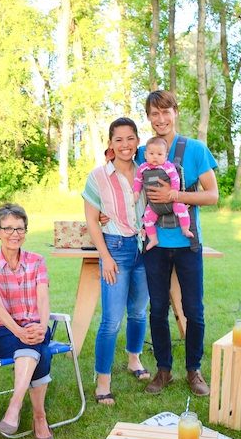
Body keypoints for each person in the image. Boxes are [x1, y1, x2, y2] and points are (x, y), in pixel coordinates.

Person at [139, 90, 219, 396]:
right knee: (157, 309)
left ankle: (194, 370)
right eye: (154, 114)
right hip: (154, 245)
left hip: (188, 244)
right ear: (148, 117)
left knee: (193, 309)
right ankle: (163, 370)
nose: (160, 119)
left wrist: (176, 195)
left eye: (165, 111)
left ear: (176, 111)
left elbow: (212, 195)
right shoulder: (144, 152)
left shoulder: (195, 149)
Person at [82, 118, 150, 406]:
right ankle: (103, 380)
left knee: (138, 310)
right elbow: (91, 221)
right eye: (119, 139)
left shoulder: (147, 172)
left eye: (131, 138)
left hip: (144, 248)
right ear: (110, 144)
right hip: (116, 248)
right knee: (111, 319)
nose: (125, 144)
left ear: (137, 141)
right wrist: (106, 257)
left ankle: (134, 359)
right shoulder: (98, 177)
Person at [0, 203, 55, 439]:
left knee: (37, 343)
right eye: (8, 228)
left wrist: (42, 326)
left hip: (35, 325)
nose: (15, 234)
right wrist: (19, 331)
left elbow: (43, 297)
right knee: (39, 351)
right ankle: (38, 416)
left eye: (20, 229)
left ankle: (15, 406)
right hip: (3, 330)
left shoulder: (37, 261)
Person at [132, 136, 194, 251]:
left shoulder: (167, 166)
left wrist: (174, 190)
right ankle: (153, 239)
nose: (155, 157)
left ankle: (185, 229)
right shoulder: (143, 168)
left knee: (182, 209)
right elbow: (138, 180)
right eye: (151, 154)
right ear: (145, 155)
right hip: (153, 204)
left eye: (159, 154)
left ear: (166, 156)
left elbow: (175, 177)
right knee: (147, 220)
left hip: (171, 199)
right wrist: (135, 191)